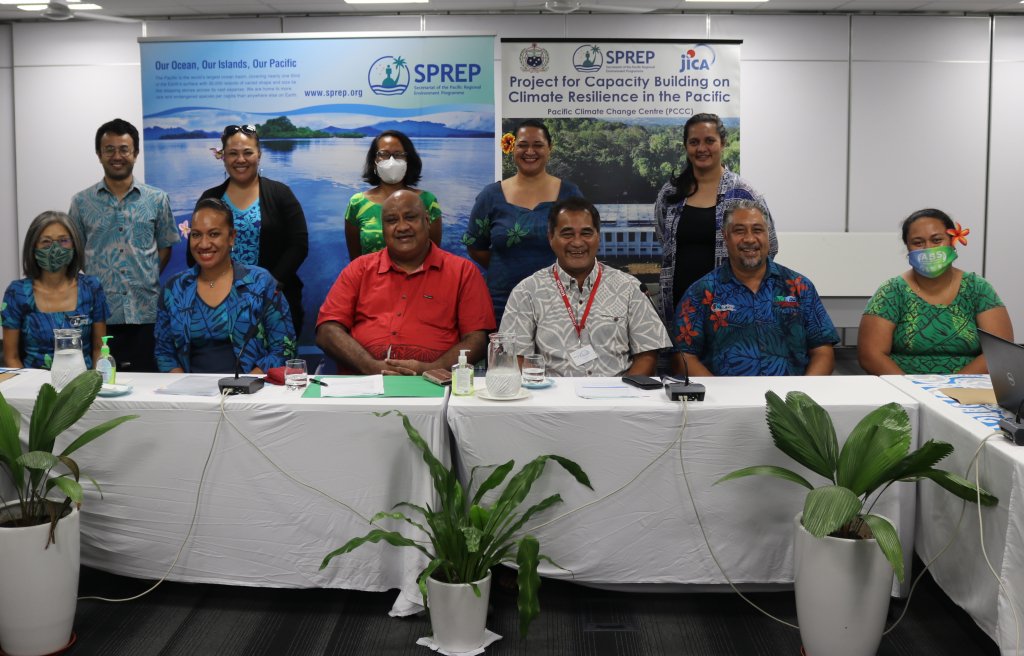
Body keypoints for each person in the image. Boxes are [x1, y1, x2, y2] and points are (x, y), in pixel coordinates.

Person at [317, 190, 494, 375]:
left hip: (437, 385)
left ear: (427, 220)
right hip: (364, 383)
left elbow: (477, 340)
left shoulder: (463, 272)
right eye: (392, 220)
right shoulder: (359, 269)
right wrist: (370, 367)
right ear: (383, 227)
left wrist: (430, 371)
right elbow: (327, 331)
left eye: (410, 217)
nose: (402, 227)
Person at [500, 196, 671, 377]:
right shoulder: (527, 292)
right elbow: (515, 358)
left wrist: (624, 392)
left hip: (617, 392)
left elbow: (647, 356)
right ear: (551, 238)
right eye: (567, 234)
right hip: (552, 393)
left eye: (586, 233)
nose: (577, 242)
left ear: (598, 236)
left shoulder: (630, 288)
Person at [672, 200, 838, 377]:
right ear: (725, 237)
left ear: (768, 234)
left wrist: (801, 392)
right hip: (726, 394)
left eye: (757, 230)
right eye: (739, 231)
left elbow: (823, 352)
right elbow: (683, 358)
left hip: (788, 394)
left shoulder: (799, 286)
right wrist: (718, 393)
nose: (750, 239)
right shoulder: (701, 292)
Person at [69, 118, 178, 372]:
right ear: (99, 154)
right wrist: (99, 280)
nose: (117, 156)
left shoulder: (157, 199)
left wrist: (145, 275)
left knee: (148, 384)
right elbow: (76, 252)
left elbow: (165, 248)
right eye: (109, 150)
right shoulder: (81, 202)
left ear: (136, 153)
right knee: (102, 386)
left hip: (146, 313)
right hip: (99, 316)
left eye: (124, 150)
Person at [654, 113, 778, 324]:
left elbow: (770, 246)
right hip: (678, 306)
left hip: (732, 307)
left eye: (710, 141)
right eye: (694, 142)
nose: (701, 148)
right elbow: (663, 238)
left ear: (723, 144)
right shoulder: (670, 193)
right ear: (686, 146)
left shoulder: (744, 194)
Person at [858, 209, 1013, 375]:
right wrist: (911, 387)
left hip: (969, 387)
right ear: (908, 249)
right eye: (918, 242)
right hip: (903, 387)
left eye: (937, 240)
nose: (928, 249)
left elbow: (1000, 353)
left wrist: (953, 386)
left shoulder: (978, 288)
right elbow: (871, 356)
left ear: (952, 242)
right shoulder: (891, 292)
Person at [462, 119, 582, 324]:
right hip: (503, 303)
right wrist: (506, 267)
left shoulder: (570, 194)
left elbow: (583, 244)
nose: (530, 151)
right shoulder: (491, 196)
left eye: (538, 145)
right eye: (523, 145)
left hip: (560, 303)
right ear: (511, 148)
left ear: (550, 148)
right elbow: (475, 246)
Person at [155, 199, 296, 374]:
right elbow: (164, 353)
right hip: (189, 389)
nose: (204, 244)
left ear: (232, 237)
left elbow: (284, 347)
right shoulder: (174, 288)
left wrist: (246, 384)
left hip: (250, 387)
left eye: (214, 234)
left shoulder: (261, 282)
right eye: (196, 235)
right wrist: (184, 387)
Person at [197, 124, 309, 335]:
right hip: (221, 306)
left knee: (276, 355)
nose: (240, 160)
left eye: (248, 152)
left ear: (259, 155)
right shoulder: (210, 198)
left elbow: (299, 245)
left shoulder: (281, 194)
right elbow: (195, 251)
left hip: (274, 303)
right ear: (223, 157)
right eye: (233, 153)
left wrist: (267, 286)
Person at [3, 212, 110, 370]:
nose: (55, 248)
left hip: (82, 381)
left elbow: (99, 349)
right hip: (34, 383)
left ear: (74, 245)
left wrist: (94, 383)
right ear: (33, 246)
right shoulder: (17, 292)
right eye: (46, 241)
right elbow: (11, 358)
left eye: (63, 241)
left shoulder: (92, 287)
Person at [345, 130, 442, 262]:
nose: (391, 161)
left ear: (408, 161)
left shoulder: (427, 201)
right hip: (371, 275)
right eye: (383, 154)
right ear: (374, 164)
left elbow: (434, 255)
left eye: (399, 154)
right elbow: (355, 260)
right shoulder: (357, 203)